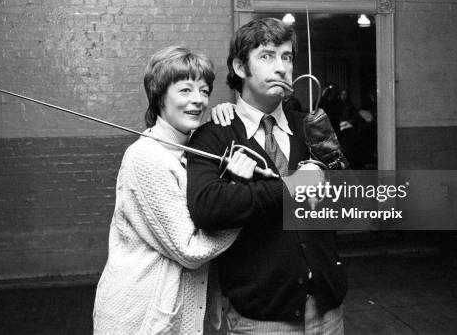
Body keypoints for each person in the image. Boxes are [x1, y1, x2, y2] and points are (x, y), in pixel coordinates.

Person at [187, 18, 347, 334]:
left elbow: (351, 200)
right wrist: (292, 188)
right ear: (240, 66)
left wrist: (329, 175)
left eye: (287, 57)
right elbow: (207, 207)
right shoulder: (214, 135)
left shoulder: (310, 127)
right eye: (267, 56)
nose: (282, 67)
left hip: (327, 309)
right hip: (261, 317)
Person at [93, 46, 258, 335]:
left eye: (205, 91)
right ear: (159, 96)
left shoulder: (191, 153)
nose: (198, 100)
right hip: (138, 317)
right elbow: (189, 249)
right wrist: (243, 203)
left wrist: (229, 115)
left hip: (176, 317)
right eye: (185, 90)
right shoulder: (145, 157)